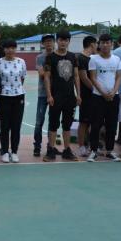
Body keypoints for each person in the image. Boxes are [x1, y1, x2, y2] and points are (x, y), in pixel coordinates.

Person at [43, 30, 81, 162]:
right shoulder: (50, 57)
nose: (63, 42)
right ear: (57, 41)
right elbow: (46, 77)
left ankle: (67, 150)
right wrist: (49, 95)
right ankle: (51, 150)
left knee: (67, 124)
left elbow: (76, 76)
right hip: (56, 96)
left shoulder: (73, 57)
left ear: (69, 41)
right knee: (53, 124)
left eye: (66, 40)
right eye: (61, 40)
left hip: (70, 97)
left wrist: (78, 94)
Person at [87, 34, 121, 162]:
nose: (105, 45)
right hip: (98, 97)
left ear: (112, 44)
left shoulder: (117, 59)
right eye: (102, 42)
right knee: (95, 125)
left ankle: (109, 151)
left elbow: (118, 77)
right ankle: (93, 151)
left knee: (112, 125)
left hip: (114, 97)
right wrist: (103, 93)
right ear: (99, 44)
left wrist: (113, 92)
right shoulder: (93, 59)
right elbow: (93, 78)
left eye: (108, 42)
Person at [0, 40, 27, 163]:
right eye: (7, 48)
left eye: (13, 48)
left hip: (19, 96)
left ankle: (14, 152)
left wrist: (16, 90)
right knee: (4, 126)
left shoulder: (21, 62)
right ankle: (4, 151)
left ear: (15, 49)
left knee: (16, 126)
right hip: (3, 97)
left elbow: (22, 78)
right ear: (4, 49)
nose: (10, 50)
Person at [33, 34, 55, 157]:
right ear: (43, 44)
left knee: (53, 121)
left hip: (56, 93)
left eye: (51, 41)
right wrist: (53, 73)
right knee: (39, 121)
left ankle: (51, 146)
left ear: (54, 42)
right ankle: (37, 146)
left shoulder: (58, 56)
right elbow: (42, 74)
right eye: (46, 41)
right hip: (42, 94)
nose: (49, 43)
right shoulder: (40, 57)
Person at [77, 36, 97, 157]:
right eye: (96, 44)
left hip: (94, 96)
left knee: (93, 122)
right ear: (92, 44)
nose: (97, 46)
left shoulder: (93, 58)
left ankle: (91, 145)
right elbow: (84, 78)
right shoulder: (81, 58)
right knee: (84, 122)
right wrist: (96, 89)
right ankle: (81, 146)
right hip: (86, 95)